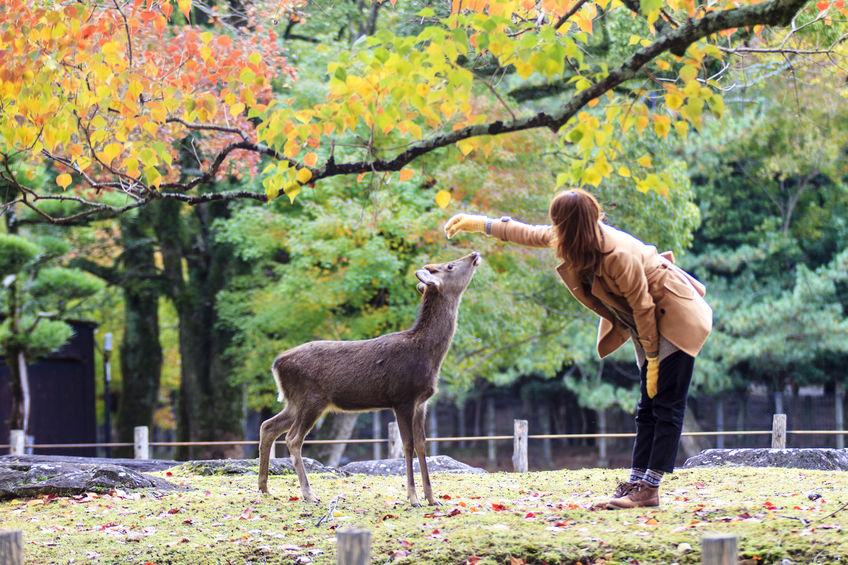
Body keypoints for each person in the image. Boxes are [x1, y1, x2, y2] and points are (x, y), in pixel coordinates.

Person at [444, 189, 712, 509]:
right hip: (648, 322)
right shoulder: (574, 239)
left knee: (665, 405)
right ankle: (637, 481)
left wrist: (653, 358)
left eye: (557, 220)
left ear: (570, 223)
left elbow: (643, 307)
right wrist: (479, 223)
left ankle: (650, 489)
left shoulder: (617, 255)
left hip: (673, 316)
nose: (552, 226)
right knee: (647, 406)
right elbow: (528, 232)